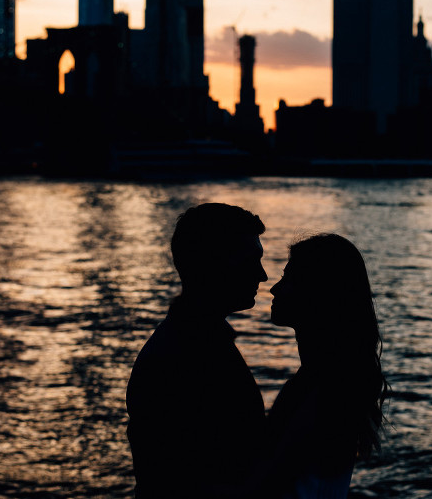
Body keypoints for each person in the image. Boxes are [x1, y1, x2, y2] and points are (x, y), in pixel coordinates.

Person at [126, 203, 269, 498]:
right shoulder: (191, 355)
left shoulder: (189, 341)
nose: (262, 275)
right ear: (216, 263)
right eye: (251, 260)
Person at [266, 233, 388, 499]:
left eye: (288, 278)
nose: (274, 288)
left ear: (316, 292)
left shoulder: (324, 389)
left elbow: (269, 484)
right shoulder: (336, 378)